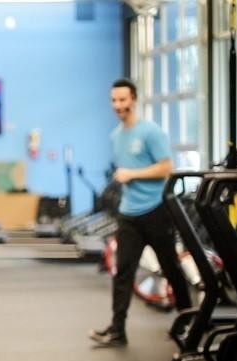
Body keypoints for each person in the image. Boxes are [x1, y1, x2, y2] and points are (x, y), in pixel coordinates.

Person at [89, 78, 192, 347]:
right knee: (122, 272)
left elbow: (166, 168)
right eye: (114, 100)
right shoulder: (116, 136)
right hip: (129, 214)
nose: (118, 105)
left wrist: (132, 174)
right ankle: (117, 330)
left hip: (155, 211)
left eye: (122, 99)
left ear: (134, 99)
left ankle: (188, 321)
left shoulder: (150, 132)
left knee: (171, 268)